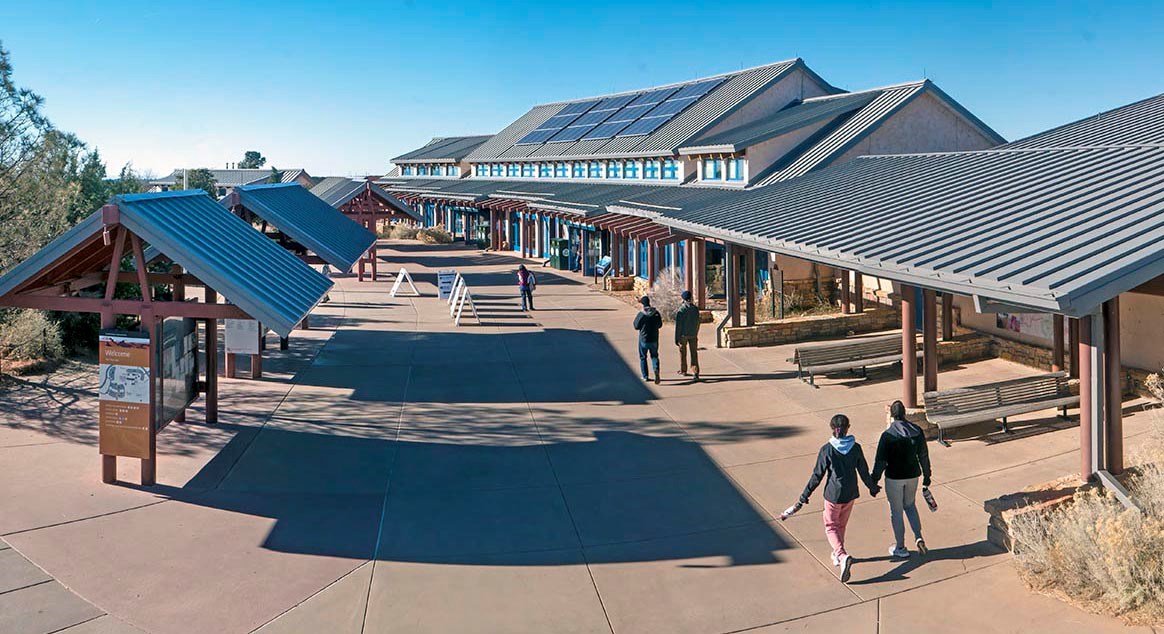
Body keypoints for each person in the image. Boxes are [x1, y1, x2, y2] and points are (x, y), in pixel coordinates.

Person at [785, 414, 879, 583]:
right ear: (848, 428)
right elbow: (863, 471)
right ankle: (837, 553)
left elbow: (817, 476)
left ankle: (842, 556)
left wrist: (803, 497)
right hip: (850, 493)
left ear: (832, 429)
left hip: (833, 496)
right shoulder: (856, 447)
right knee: (841, 525)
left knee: (831, 526)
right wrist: (872, 487)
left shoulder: (827, 449)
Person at [871, 400, 932, 559]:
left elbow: (881, 461)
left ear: (892, 415)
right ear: (904, 413)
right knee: (910, 505)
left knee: (896, 511)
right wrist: (927, 476)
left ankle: (900, 547)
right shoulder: (917, 431)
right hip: (913, 475)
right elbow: (924, 456)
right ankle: (918, 537)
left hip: (894, 478)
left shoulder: (887, 435)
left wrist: (873, 481)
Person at [633, 296, 663, 384]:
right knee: (654, 356)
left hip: (644, 339)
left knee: (643, 357)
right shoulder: (656, 313)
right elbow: (660, 325)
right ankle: (656, 369)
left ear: (642, 304)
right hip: (654, 339)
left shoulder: (641, 314)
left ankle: (645, 376)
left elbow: (636, 326)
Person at [674, 290, 701, 379]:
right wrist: (696, 332)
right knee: (694, 353)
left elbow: (678, 326)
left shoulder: (681, 310)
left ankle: (683, 370)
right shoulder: (695, 309)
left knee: (683, 353)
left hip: (683, 335)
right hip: (693, 334)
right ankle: (695, 371)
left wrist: (677, 338)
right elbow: (698, 322)